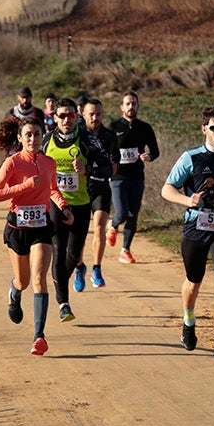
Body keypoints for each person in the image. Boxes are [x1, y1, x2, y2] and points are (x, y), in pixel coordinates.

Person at [161, 105, 214, 361]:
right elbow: (167, 189)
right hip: (195, 226)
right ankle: (188, 322)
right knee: (193, 282)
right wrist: (187, 201)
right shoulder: (191, 157)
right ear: (204, 130)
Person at [0, 116, 73, 356]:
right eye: (28, 135)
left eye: (37, 134)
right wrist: (24, 187)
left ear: (41, 136)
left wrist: (64, 207)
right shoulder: (13, 163)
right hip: (17, 229)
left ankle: (39, 336)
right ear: (20, 138)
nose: (33, 139)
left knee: (39, 280)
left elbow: (53, 188)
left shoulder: (49, 162)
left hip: (41, 228)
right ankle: (14, 293)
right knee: (23, 282)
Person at [41, 98, 112, 321]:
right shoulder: (47, 140)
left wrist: (87, 168)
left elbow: (108, 167)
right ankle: (63, 302)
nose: (66, 119)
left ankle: (63, 282)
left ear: (77, 116)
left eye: (70, 115)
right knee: (58, 250)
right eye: (61, 115)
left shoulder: (88, 140)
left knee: (73, 255)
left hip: (81, 204)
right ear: (55, 118)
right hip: (55, 203)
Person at [107, 91, 160, 264]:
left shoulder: (144, 128)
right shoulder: (113, 127)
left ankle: (125, 250)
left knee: (133, 214)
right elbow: (105, 149)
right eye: (127, 104)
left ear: (137, 106)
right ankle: (113, 225)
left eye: (134, 104)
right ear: (122, 107)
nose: (131, 107)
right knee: (122, 213)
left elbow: (155, 151)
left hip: (137, 177)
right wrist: (110, 162)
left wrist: (149, 157)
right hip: (118, 177)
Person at [77, 98, 119, 289]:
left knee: (100, 227)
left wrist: (95, 169)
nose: (95, 118)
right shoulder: (77, 134)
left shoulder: (109, 135)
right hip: (81, 189)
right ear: (83, 114)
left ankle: (97, 268)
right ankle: (79, 267)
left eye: (98, 114)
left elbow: (113, 166)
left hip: (102, 187)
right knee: (80, 232)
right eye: (91, 114)